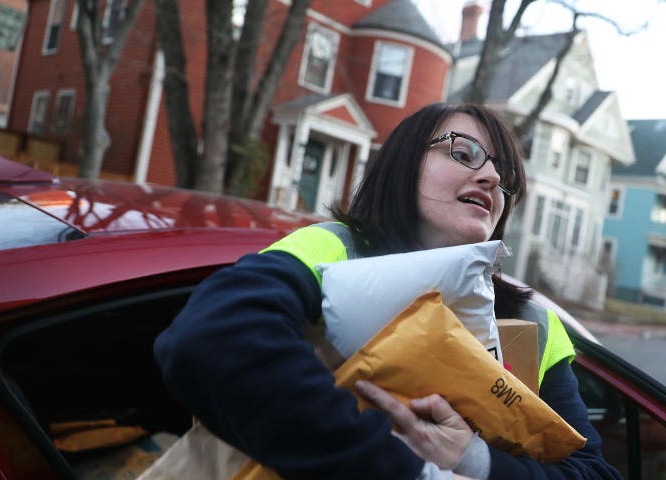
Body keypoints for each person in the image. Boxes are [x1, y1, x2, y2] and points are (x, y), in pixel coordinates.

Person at [154, 102, 621, 480]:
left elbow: (592, 473)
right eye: (463, 153)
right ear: (402, 163)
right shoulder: (333, 248)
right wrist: (407, 470)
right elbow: (211, 339)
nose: (493, 180)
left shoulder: (536, 322)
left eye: (506, 178)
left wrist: (473, 460)